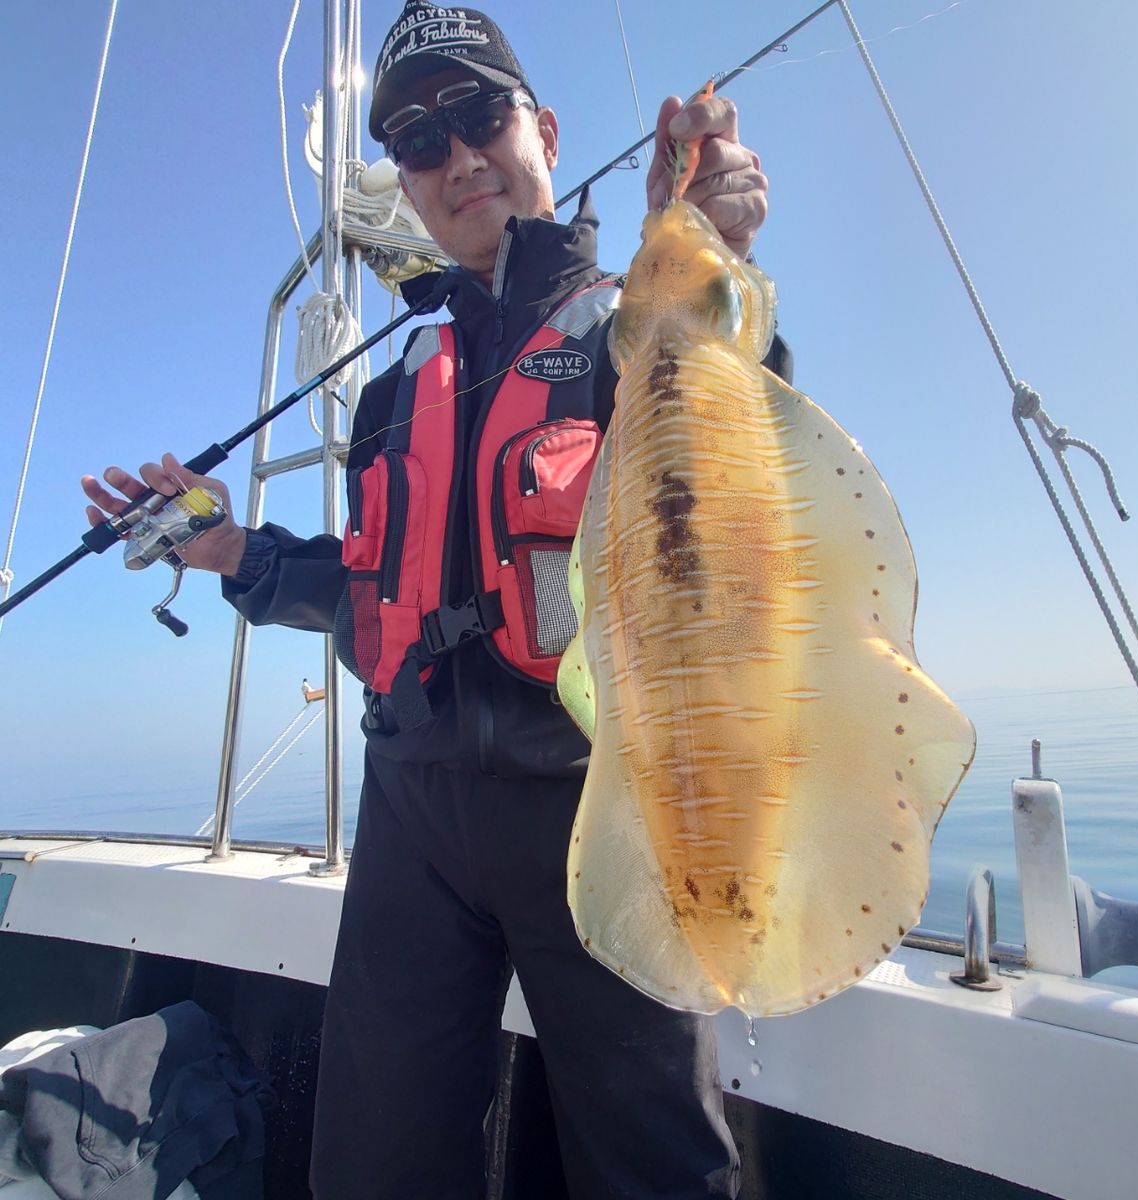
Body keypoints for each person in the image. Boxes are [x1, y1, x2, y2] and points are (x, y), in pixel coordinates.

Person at [82, 6, 781, 1196]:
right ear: (402, 183)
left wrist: (719, 255)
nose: (455, 157)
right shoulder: (400, 385)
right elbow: (378, 597)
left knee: (656, 1166)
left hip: (594, 804)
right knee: (373, 1165)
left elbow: (729, 460)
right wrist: (231, 547)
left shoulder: (634, 322)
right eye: (415, 141)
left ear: (544, 130)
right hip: (412, 818)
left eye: (478, 115)